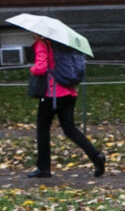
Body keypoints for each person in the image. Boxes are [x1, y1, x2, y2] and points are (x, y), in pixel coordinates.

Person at [28, 37, 105, 179]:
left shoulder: (42, 44)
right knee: (70, 129)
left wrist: (31, 69)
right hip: (69, 92)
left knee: (43, 130)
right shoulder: (63, 43)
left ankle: (44, 168)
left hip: (51, 94)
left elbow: (40, 68)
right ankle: (96, 156)